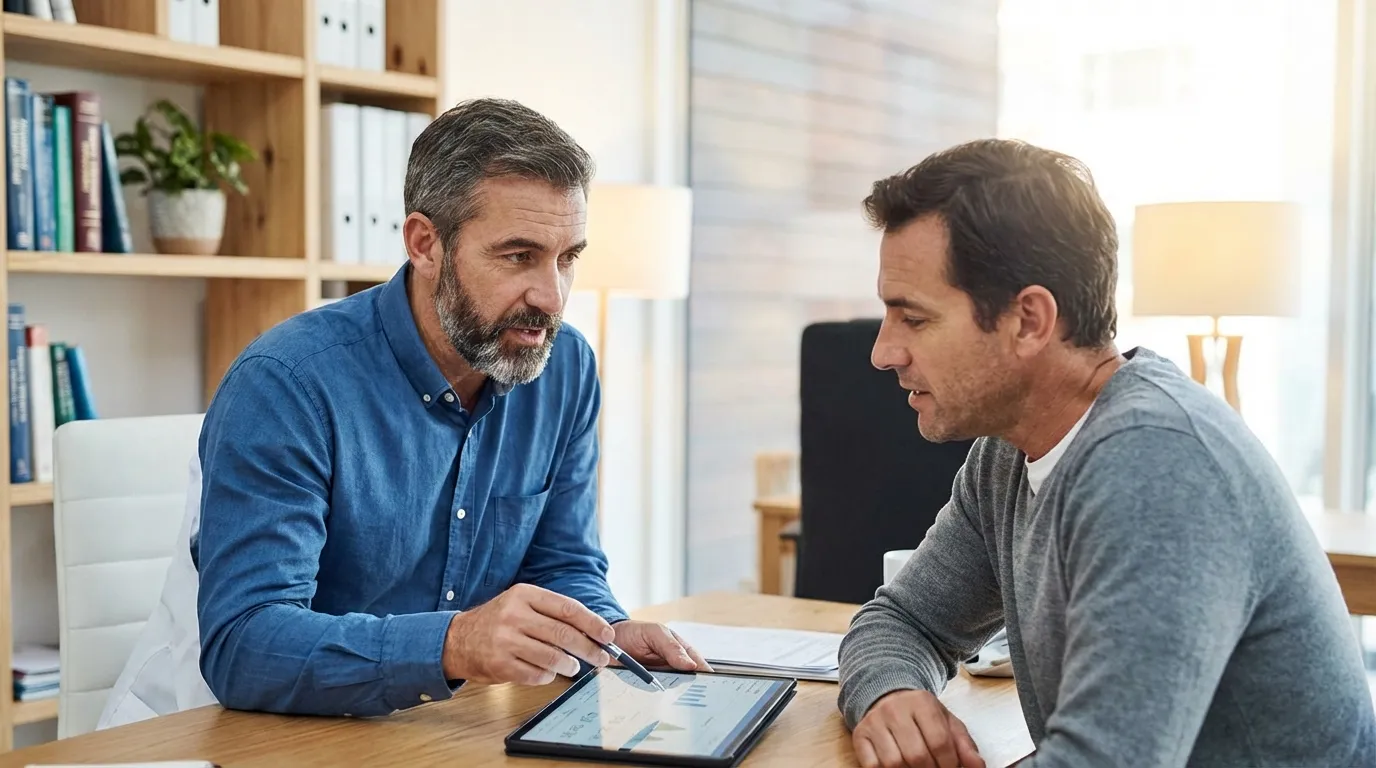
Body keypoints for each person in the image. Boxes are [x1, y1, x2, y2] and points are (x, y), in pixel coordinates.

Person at [98, 97, 708, 726]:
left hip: (423, 733)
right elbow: (245, 646)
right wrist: (455, 643)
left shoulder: (564, 368)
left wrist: (606, 631)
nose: (551, 296)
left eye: (568, 257)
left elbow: (562, 564)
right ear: (425, 244)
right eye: (518, 256)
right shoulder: (286, 384)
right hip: (224, 735)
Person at [837, 138, 1376, 768]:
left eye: (914, 319)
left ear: (1030, 321)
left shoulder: (1160, 466)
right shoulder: (1008, 454)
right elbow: (903, 619)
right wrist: (890, 690)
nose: (883, 353)